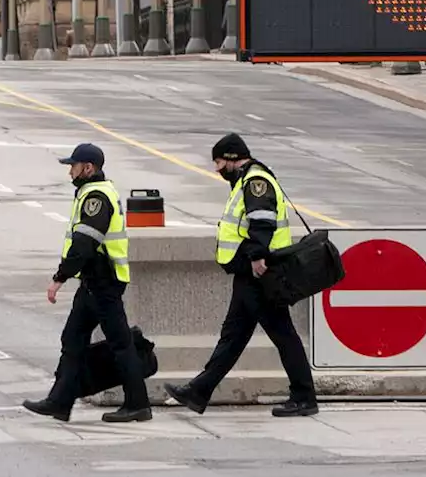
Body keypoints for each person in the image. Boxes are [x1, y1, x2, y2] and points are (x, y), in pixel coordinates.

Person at [164, 134, 318, 418]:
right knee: (233, 336)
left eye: (219, 162)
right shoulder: (245, 180)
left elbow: (262, 220)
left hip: (260, 272)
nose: (217, 169)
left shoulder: (255, 182)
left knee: (282, 334)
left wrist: (258, 255)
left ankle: (304, 396)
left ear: (233, 158)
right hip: (249, 272)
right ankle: (199, 391)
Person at [23, 143, 152, 424]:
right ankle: (59, 401)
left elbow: (84, 244)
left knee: (120, 344)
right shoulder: (90, 193)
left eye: (73, 166)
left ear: (88, 167)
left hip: (104, 282)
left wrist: (59, 278)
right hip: (94, 282)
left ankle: (137, 404)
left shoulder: (96, 197)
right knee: (73, 339)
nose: (70, 172)